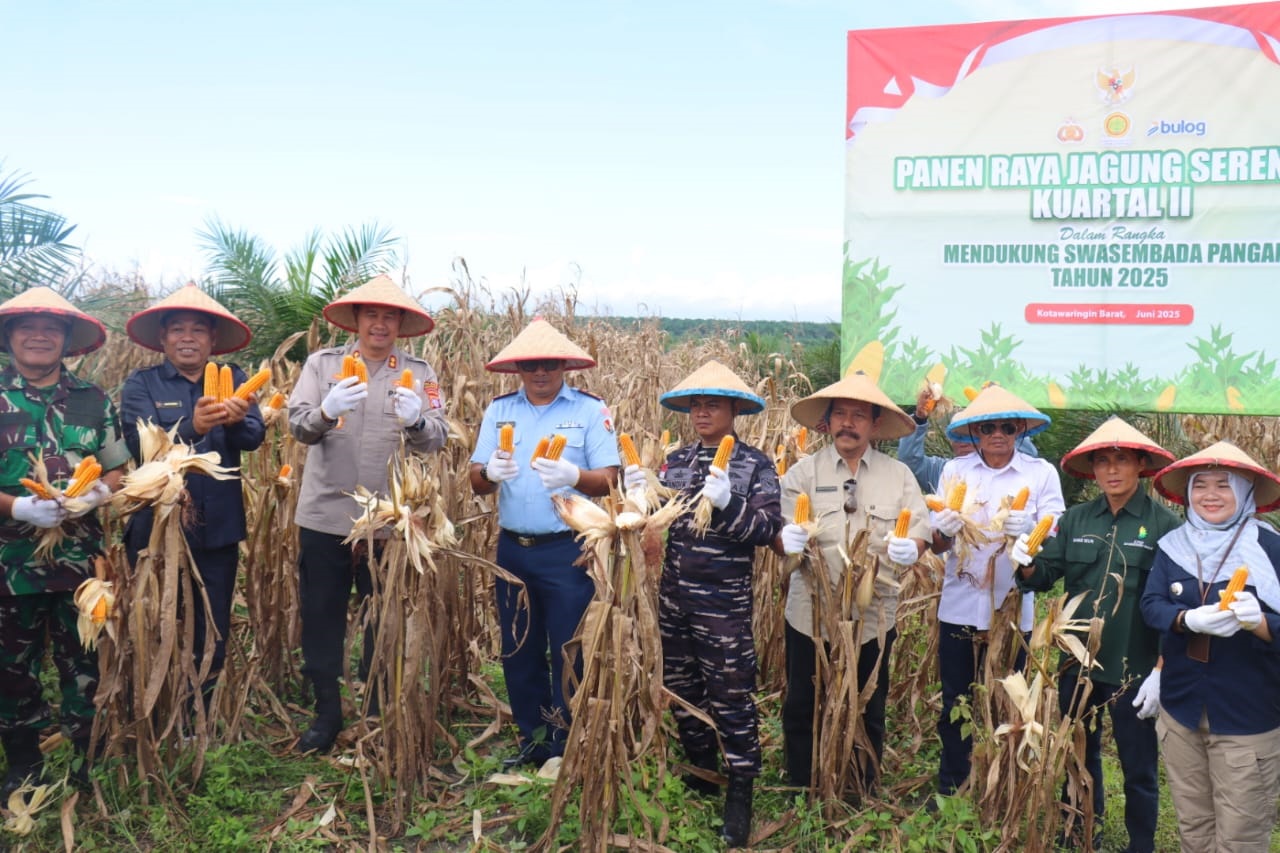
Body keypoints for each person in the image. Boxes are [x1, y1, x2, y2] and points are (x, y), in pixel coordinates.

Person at [288, 274, 447, 753]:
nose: (380, 324)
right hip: (326, 515)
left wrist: (417, 421)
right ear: (356, 320)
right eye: (371, 315)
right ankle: (327, 714)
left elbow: (437, 438)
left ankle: (378, 710)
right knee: (322, 616)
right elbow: (298, 426)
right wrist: (325, 411)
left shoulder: (420, 373)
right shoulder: (322, 365)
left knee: (385, 617)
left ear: (400, 324)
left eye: (389, 316)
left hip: (390, 523)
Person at [627, 360, 780, 846]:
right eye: (695, 405)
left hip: (724, 606)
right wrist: (638, 498)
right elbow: (656, 521)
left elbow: (767, 530)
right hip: (675, 600)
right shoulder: (676, 461)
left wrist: (731, 502)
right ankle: (700, 769)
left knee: (731, 695)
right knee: (682, 688)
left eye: (712, 404)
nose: (701, 413)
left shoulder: (755, 466)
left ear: (735, 411)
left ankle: (741, 786)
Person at [1012, 417, 1178, 853]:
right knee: (1077, 753)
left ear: (1140, 465)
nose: (1111, 470)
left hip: (1133, 666)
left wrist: (1161, 669)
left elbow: (1171, 603)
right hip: (1077, 662)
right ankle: (1079, 832)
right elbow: (1045, 575)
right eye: (1102, 461)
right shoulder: (1076, 519)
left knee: (1138, 764)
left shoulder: (1165, 525)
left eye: (1121, 460)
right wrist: (1025, 562)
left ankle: (1141, 843)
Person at [468, 318, 620, 770]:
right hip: (514, 549)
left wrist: (575, 476)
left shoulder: (589, 410)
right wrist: (489, 473)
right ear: (518, 368)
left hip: (568, 550)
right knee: (519, 648)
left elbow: (610, 479)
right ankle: (532, 737)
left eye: (549, 364)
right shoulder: (499, 411)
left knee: (569, 648)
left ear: (564, 367)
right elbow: (476, 479)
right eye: (531, 364)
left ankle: (565, 742)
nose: (540, 372)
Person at [774, 372, 930, 793]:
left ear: (875, 425)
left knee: (869, 702)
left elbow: (921, 531)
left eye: (859, 416)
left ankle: (862, 782)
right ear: (827, 421)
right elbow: (782, 532)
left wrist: (913, 548)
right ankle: (802, 781)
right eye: (840, 414)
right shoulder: (803, 474)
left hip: (873, 614)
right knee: (803, 701)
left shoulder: (899, 476)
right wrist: (786, 540)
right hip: (810, 610)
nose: (848, 423)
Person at [0, 287, 128, 794]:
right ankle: (23, 765)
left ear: (66, 338)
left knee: (86, 665)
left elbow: (118, 469)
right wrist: (17, 507)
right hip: (9, 562)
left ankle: (87, 763)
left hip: (81, 566)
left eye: (51, 328)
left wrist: (98, 494)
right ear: (10, 336)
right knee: (11, 669)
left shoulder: (93, 399)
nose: (39, 336)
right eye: (27, 327)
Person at [121, 284, 265, 703]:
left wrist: (235, 421)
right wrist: (193, 428)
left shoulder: (235, 379)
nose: (188, 338)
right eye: (178, 329)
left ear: (212, 339)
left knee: (211, 623)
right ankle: (153, 703)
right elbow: (138, 445)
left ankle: (201, 710)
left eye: (198, 330)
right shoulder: (142, 384)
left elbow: (254, 437)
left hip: (218, 527)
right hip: (156, 527)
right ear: (163, 338)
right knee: (156, 616)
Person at [1140, 441, 1280, 853]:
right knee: (1194, 826)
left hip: (1247, 714)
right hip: (1182, 707)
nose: (1210, 495)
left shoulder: (1271, 549)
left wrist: (1261, 623)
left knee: (1240, 834)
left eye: (1224, 484)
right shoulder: (1173, 546)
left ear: (1245, 491)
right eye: (1200, 485)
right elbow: (1151, 605)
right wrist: (1186, 619)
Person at [929, 384, 1063, 795]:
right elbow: (937, 543)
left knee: (1009, 700)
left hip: (1013, 610)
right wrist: (944, 530)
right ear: (975, 431)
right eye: (988, 427)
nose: (998, 435)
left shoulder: (1040, 474)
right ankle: (953, 784)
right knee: (955, 700)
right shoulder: (955, 472)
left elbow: (1055, 535)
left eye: (1007, 426)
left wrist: (1032, 532)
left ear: (1020, 429)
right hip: (959, 605)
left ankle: (1003, 782)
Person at [897, 385, 1038, 494]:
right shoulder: (943, 469)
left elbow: (1028, 454)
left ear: (979, 434)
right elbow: (909, 460)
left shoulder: (1006, 466)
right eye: (957, 436)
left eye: (967, 436)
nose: (963, 441)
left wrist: (997, 411)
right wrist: (919, 418)